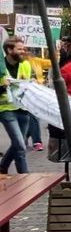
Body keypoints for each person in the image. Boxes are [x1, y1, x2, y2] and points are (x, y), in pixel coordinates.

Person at [0, 37, 33, 174]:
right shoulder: (1, 67)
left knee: (19, 143)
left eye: (23, 48)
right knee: (20, 145)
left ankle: (2, 166)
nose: (23, 51)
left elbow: (27, 87)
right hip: (6, 109)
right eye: (19, 49)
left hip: (23, 109)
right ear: (9, 50)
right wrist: (2, 87)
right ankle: (24, 176)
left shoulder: (25, 64)